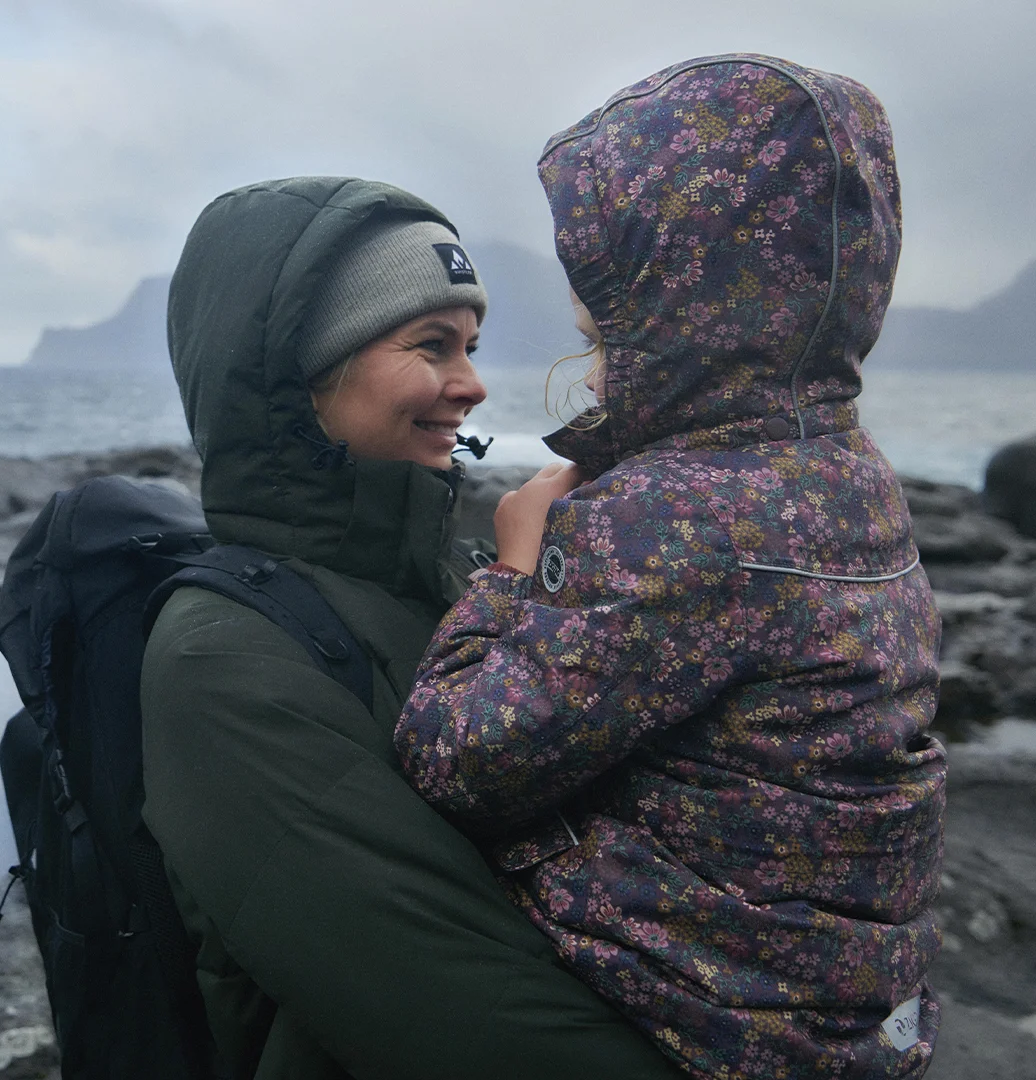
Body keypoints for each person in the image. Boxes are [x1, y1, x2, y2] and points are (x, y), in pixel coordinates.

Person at [395, 55, 946, 1079]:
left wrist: (511, 572)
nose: (598, 363)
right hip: (853, 1009)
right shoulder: (851, 477)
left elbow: (455, 761)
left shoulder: (676, 516)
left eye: (605, 333)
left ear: (678, 322)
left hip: (721, 1018)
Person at [140, 176, 682, 1079]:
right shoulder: (218, 661)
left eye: (470, 346)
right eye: (432, 345)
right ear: (295, 375)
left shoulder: (436, 576)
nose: (470, 386)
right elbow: (463, 1013)